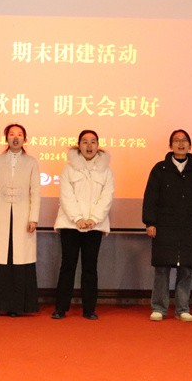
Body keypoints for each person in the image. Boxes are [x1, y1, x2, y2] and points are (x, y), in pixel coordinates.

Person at [142, 129, 192, 322]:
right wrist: (150, 222)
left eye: (184, 140)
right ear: (170, 145)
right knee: (162, 268)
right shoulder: (160, 169)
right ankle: (159, 307)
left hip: (189, 226)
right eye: (176, 140)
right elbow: (151, 197)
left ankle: (182, 308)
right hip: (164, 226)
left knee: (186, 269)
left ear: (190, 145)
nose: (180, 144)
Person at [0, 124, 41, 317]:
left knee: (18, 260)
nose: (15, 137)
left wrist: (33, 218)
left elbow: (36, 192)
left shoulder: (31, 162)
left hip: (22, 217)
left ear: (25, 139)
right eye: (12, 134)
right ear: (6, 138)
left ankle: (15, 306)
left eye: (19, 134)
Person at [51, 130, 115, 321]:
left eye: (93, 142)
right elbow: (66, 196)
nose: (89, 146)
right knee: (68, 266)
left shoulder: (106, 171)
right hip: (70, 225)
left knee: (90, 267)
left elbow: (107, 197)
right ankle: (61, 308)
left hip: (94, 226)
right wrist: (78, 218)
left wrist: (93, 219)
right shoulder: (68, 168)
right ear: (78, 145)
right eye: (85, 142)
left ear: (98, 145)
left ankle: (89, 309)